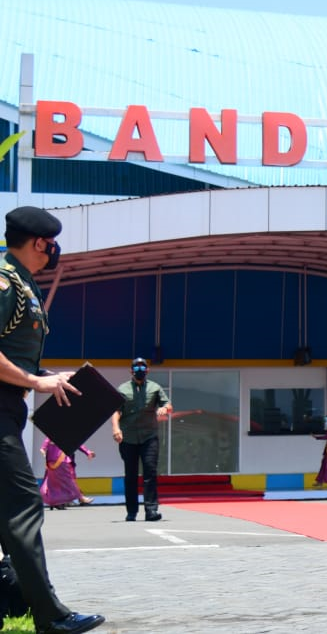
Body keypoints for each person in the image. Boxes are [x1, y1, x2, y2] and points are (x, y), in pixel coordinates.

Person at [0, 205, 105, 634]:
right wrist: (33, 381)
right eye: (52, 244)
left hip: (9, 406)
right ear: (41, 243)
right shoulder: (6, 283)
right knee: (23, 509)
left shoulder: (22, 284)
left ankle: (14, 601)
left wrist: (45, 378)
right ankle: (51, 617)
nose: (55, 252)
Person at [112, 356, 172, 522]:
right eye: (136, 368)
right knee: (130, 475)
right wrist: (116, 428)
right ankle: (131, 512)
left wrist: (164, 409)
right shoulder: (122, 389)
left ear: (147, 370)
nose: (140, 370)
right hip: (128, 437)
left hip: (149, 437)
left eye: (142, 368)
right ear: (131, 371)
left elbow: (168, 405)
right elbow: (116, 411)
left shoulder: (155, 388)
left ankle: (151, 511)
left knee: (150, 473)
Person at [40, 439, 95, 509]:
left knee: (59, 481)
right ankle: (79, 498)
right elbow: (43, 448)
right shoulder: (53, 436)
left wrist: (88, 452)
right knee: (67, 481)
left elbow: (76, 443)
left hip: (55, 462)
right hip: (60, 462)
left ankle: (59, 501)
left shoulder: (60, 435)